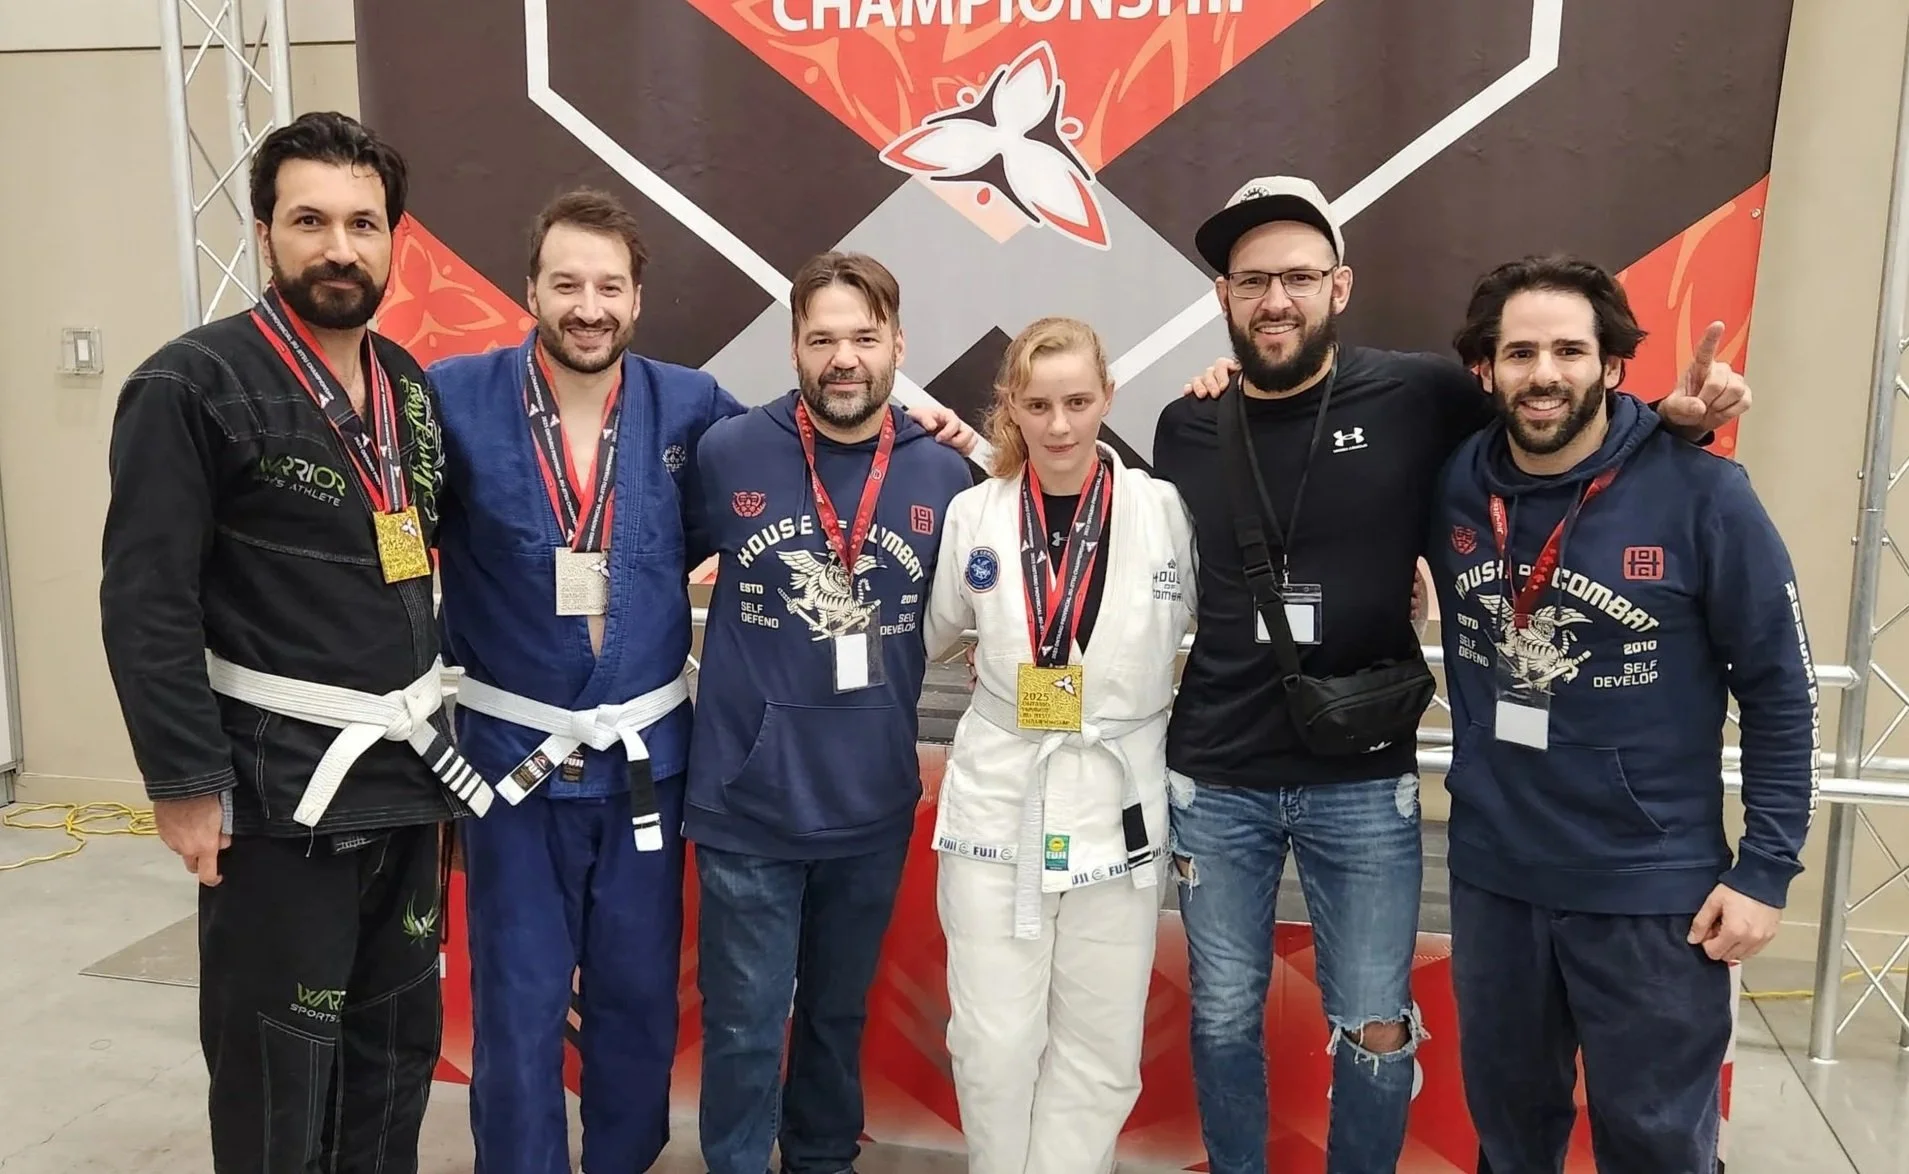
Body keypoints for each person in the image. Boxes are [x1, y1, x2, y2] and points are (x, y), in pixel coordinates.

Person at [1156, 176, 1753, 1174]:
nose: (1275, 299)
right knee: (1220, 1015)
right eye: (1251, 280)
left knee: (1376, 1024)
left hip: (1362, 773)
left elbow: (1555, 422)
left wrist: (1673, 424)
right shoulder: (1185, 425)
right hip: (1214, 772)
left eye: (1297, 276)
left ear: (1339, 286)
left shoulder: (1420, 394)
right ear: (1223, 295)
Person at [428, 193, 976, 1174]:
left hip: (651, 757)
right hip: (517, 757)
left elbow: (832, 457)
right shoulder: (456, 399)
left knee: (639, 990)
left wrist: (931, 428)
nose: (588, 306)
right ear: (530, 291)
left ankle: (626, 1158)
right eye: (566, 283)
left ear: (637, 298)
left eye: (609, 286)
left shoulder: (690, 410)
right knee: (518, 995)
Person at [99, 111, 491, 1173]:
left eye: (363, 224)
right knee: (280, 1065)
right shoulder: (190, 386)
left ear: (392, 239)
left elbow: (422, 561)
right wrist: (185, 781)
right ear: (266, 231)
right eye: (310, 220)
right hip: (277, 791)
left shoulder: (405, 385)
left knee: (395, 1052)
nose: (338, 248)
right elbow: (145, 599)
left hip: (404, 778)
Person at [1429, 254, 1817, 1172]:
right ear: (1485, 370)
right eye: (1519, 353)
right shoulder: (1452, 482)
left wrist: (1765, 870)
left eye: (1570, 351)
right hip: (1497, 878)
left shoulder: (1703, 495)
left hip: (1649, 889)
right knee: (1508, 1139)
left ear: (1611, 365)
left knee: (1655, 1145)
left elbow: (1778, 690)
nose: (1544, 374)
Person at [683, 251, 976, 1174]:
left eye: (863, 337)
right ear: (794, 348)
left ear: (898, 345)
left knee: (835, 1015)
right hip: (747, 802)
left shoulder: (945, 475)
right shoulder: (729, 452)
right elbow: (648, 564)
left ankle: (821, 1160)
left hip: (870, 804)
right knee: (743, 1025)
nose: (843, 358)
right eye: (822, 339)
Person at [921, 316, 1197, 1173]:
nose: (1059, 425)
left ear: (1107, 397)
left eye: (1077, 402)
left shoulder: (1161, 509)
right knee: (991, 1039)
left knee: (1101, 1044)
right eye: (1037, 405)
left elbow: (1218, 618)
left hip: (1117, 800)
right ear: (1010, 405)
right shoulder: (975, 512)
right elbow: (931, 633)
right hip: (1001, 796)